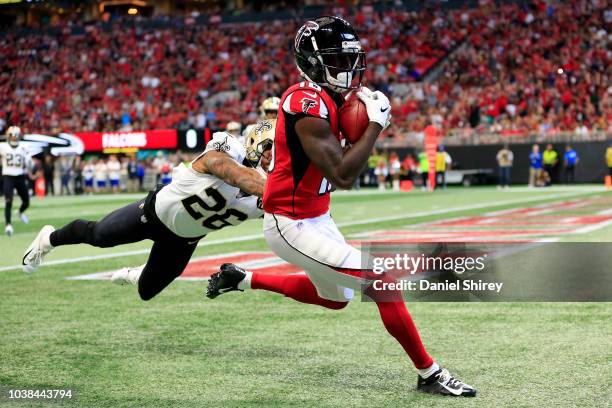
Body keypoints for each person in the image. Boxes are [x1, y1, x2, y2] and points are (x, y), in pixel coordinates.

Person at [206, 16, 475, 397]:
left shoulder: (331, 99)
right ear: (312, 62)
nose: (347, 68)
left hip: (317, 217)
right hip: (290, 222)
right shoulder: (303, 102)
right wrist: (375, 127)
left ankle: (242, 278)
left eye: (350, 58)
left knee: (336, 300)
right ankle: (429, 373)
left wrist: (361, 122)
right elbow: (343, 174)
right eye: (336, 59)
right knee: (382, 283)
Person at [22, 123, 275, 302]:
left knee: (147, 291)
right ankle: (48, 239)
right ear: (256, 142)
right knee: (99, 235)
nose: (277, 156)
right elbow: (226, 169)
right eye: (272, 148)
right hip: (154, 214)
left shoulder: (273, 186)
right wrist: (276, 190)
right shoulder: (230, 148)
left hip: (184, 240)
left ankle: (136, 273)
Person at [1, 126, 32, 236]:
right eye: (13, 135)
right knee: (8, 201)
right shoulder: (2, 146)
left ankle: (19, 212)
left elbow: (30, 164)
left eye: (16, 135)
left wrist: (29, 162)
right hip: (8, 176)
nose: (14, 138)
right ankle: (8, 225)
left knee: (26, 202)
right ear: (8, 136)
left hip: (20, 176)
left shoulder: (24, 147)